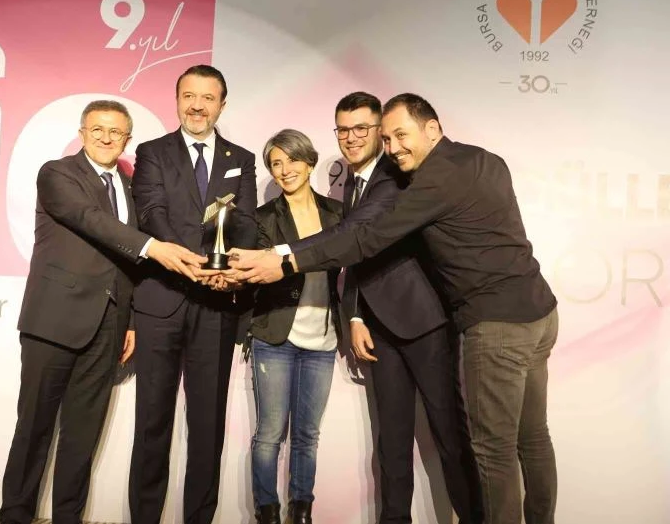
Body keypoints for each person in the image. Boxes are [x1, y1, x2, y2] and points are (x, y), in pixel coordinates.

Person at [229, 93, 559, 524]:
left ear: (432, 129)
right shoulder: (483, 159)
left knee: (490, 450)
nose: (393, 147)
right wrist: (355, 313)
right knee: (532, 439)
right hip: (538, 310)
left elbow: (364, 237)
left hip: (492, 323)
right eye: (387, 138)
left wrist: (285, 260)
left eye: (399, 135)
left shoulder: (425, 182)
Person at [273, 92, 482, 524]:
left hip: (427, 322)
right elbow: (357, 256)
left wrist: (281, 257)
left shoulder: (396, 176)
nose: (351, 138)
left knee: (449, 435)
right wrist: (355, 315)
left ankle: (475, 517)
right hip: (380, 330)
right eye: (343, 130)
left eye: (362, 129)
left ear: (380, 133)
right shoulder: (353, 182)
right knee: (391, 441)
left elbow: (354, 235)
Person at [0, 100, 205, 524]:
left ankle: (68, 518)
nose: (107, 138)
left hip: (108, 326)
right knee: (34, 429)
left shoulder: (129, 187)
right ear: (82, 132)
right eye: (98, 130)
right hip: (52, 323)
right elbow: (90, 219)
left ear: (127, 139)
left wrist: (129, 320)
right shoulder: (58, 174)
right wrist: (154, 247)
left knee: (83, 436)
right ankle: (15, 516)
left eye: (116, 132)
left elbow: (127, 264)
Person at [128, 64, 258, 524]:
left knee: (208, 424)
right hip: (161, 299)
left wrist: (231, 270)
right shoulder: (152, 152)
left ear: (222, 104)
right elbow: (151, 212)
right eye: (189, 96)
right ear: (177, 99)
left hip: (217, 303)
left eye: (207, 97)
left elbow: (246, 223)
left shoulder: (242, 158)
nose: (197, 106)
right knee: (152, 421)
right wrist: (190, 263)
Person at [249, 129, 343, 524]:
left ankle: (301, 510)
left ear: (309, 162)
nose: (285, 169)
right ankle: (267, 511)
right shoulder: (264, 218)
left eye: (292, 160)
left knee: (308, 435)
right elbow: (257, 272)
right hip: (275, 336)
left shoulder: (337, 214)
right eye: (276, 163)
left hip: (322, 338)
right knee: (269, 433)